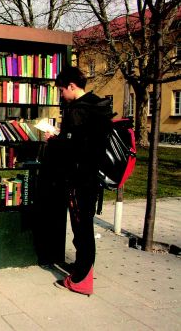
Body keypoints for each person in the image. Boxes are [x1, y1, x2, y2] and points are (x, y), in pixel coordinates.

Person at [49, 67, 113, 296]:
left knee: (81, 229)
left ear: (72, 86)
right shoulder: (98, 105)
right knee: (85, 225)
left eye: (62, 90)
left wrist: (53, 140)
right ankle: (82, 271)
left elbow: (71, 149)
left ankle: (81, 279)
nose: (61, 95)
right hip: (91, 176)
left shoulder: (77, 111)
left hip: (78, 178)